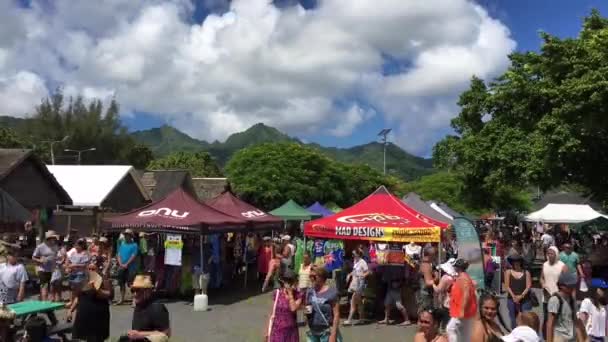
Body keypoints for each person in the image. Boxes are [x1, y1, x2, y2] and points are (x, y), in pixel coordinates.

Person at [69, 265, 113, 342]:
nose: (91, 270)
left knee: (96, 338)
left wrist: (97, 290)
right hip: (84, 314)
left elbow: (109, 294)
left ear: (98, 269)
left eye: (93, 269)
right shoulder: (83, 279)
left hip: (98, 315)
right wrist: (71, 310)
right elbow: (78, 297)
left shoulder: (103, 279)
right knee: (83, 337)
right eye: (89, 269)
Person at [122, 274, 171, 341]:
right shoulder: (139, 304)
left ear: (148, 291)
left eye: (138, 290)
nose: (135, 294)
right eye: (133, 290)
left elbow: (166, 333)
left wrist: (140, 334)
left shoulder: (157, 307)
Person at [304, 266, 341, 342]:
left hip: (326, 331)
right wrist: (306, 314)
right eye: (310, 276)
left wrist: (333, 334)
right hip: (312, 331)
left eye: (313, 276)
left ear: (321, 277)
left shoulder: (331, 292)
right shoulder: (310, 291)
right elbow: (308, 308)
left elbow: (336, 314)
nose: (311, 279)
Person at [546, 272, 585, 342]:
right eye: (570, 285)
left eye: (573, 284)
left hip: (572, 338)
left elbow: (576, 322)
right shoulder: (555, 300)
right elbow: (550, 324)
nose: (573, 286)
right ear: (561, 286)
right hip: (559, 338)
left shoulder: (572, 300)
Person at [266, 269, 302, 342]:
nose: (288, 283)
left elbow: (293, 308)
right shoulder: (277, 293)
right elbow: (273, 313)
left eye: (291, 281)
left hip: (291, 332)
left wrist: (291, 294)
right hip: (277, 331)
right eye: (286, 280)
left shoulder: (298, 295)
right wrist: (268, 331)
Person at [446, 259, 477, 342]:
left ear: (457, 267)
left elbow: (466, 295)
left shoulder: (463, 278)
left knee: (450, 329)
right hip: (466, 310)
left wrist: (462, 310)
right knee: (465, 333)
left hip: (462, 310)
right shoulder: (463, 277)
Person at [540, 245, 568, 337]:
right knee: (546, 319)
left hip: (558, 297)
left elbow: (567, 281)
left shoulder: (562, 266)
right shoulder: (544, 265)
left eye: (551, 253)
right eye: (548, 253)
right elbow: (541, 278)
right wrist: (543, 284)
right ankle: (546, 338)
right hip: (546, 296)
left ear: (556, 254)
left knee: (557, 319)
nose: (549, 255)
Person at [505, 254, 532, 329]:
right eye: (514, 261)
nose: (516, 262)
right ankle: (514, 334)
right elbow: (507, 286)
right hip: (511, 298)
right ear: (512, 262)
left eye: (518, 261)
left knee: (525, 318)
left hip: (525, 299)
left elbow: (528, 286)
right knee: (513, 318)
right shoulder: (508, 272)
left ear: (521, 262)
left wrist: (521, 296)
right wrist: (514, 297)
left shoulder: (526, 272)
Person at [32, 230, 59, 301]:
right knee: (44, 287)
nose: (54, 240)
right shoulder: (40, 247)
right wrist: (40, 260)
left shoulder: (55, 246)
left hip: (52, 270)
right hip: (43, 270)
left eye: (55, 238)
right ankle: (44, 303)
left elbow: (56, 256)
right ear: (48, 238)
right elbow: (33, 257)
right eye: (53, 238)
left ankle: (46, 302)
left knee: (52, 287)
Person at [344, 249, 369, 325]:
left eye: (354, 254)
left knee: (353, 301)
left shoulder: (363, 262)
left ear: (358, 254)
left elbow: (368, 272)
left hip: (359, 283)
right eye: (352, 254)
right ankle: (362, 318)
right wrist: (350, 274)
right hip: (354, 282)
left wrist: (362, 276)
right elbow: (354, 271)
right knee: (359, 302)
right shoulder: (355, 261)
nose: (353, 256)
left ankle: (349, 319)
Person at [66, 239, 90, 308]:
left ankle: (76, 304)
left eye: (78, 245)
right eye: (76, 245)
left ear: (82, 246)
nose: (76, 247)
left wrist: (75, 265)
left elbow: (85, 265)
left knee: (77, 290)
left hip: (80, 274)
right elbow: (69, 261)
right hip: (72, 273)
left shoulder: (85, 254)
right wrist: (68, 267)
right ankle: (72, 302)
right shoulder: (73, 253)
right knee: (72, 289)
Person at [117, 229, 139, 305]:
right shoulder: (122, 244)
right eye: (125, 234)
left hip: (131, 267)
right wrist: (120, 263)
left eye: (128, 235)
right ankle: (121, 299)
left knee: (132, 284)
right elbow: (119, 254)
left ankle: (134, 300)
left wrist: (126, 264)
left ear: (131, 236)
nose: (126, 236)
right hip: (122, 266)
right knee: (121, 283)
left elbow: (133, 255)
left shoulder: (134, 245)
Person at [433, 259, 457, 330]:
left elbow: (438, 290)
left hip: (447, 302)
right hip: (455, 300)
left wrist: (432, 284)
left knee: (446, 322)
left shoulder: (445, 278)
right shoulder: (456, 277)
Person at [417, 247, 438, 314]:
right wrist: (437, 278)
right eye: (435, 255)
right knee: (426, 314)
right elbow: (428, 282)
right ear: (431, 255)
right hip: (425, 296)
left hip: (423, 294)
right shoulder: (426, 265)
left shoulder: (422, 263)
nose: (436, 257)